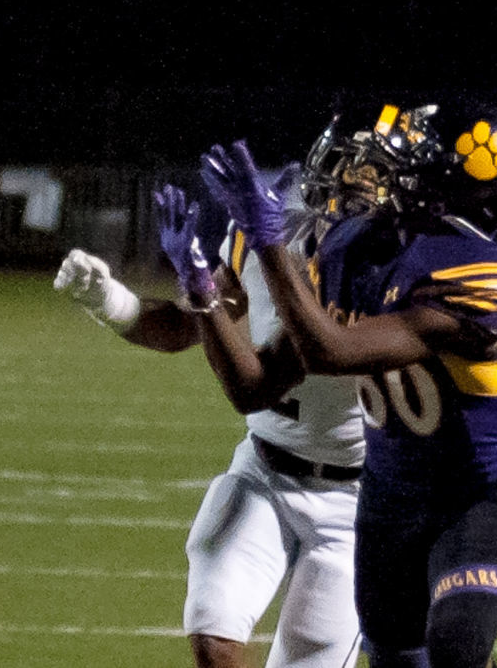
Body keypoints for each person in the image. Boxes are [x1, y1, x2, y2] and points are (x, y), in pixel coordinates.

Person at [199, 102, 497, 668]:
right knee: (398, 660)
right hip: (387, 495)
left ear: (454, 180)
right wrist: (201, 290)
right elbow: (256, 387)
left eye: (417, 152)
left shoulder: (482, 269)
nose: (387, 162)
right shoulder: (352, 246)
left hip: (474, 491)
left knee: (458, 649)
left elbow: (330, 351)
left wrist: (268, 243)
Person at [52, 166, 364, 668]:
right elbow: (185, 326)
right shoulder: (266, 230)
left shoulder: (387, 264)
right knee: (214, 636)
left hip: (355, 502)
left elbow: (262, 379)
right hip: (265, 469)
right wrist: (110, 300)